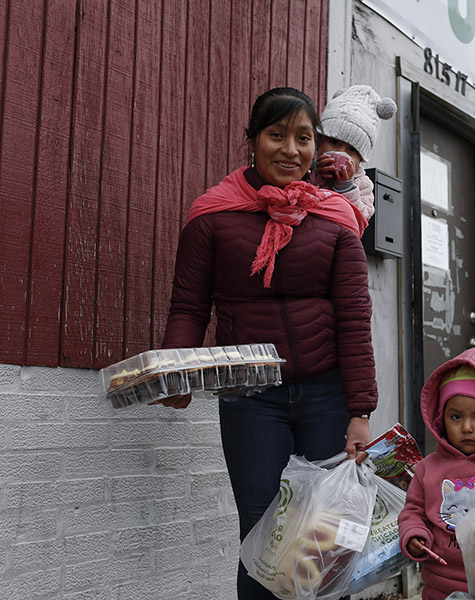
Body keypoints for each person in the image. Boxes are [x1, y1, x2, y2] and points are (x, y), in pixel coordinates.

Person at [156, 87, 377, 599]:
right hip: (250, 398)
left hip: (326, 395)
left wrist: (361, 410)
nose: (290, 150)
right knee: (262, 529)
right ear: (251, 141)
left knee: (324, 533)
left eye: (304, 138)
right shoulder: (212, 215)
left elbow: (353, 318)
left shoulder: (336, 220)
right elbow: (189, 306)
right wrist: (176, 372)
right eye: (276, 135)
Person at [398, 347, 475, 600]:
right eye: (456, 416)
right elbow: (413, 512)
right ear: (441, 420)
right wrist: (414, 536)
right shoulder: (428, 468)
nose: (467, 427)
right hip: (440, 586)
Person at [308, 84, 397, 223]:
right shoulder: (304, 163)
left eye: (353, 150)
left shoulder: (362, 184)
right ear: (319, 140)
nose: (341, 152)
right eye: (334, 142)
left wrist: (346, 188)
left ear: (361, 159)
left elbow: (362, 219)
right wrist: (312, 169)